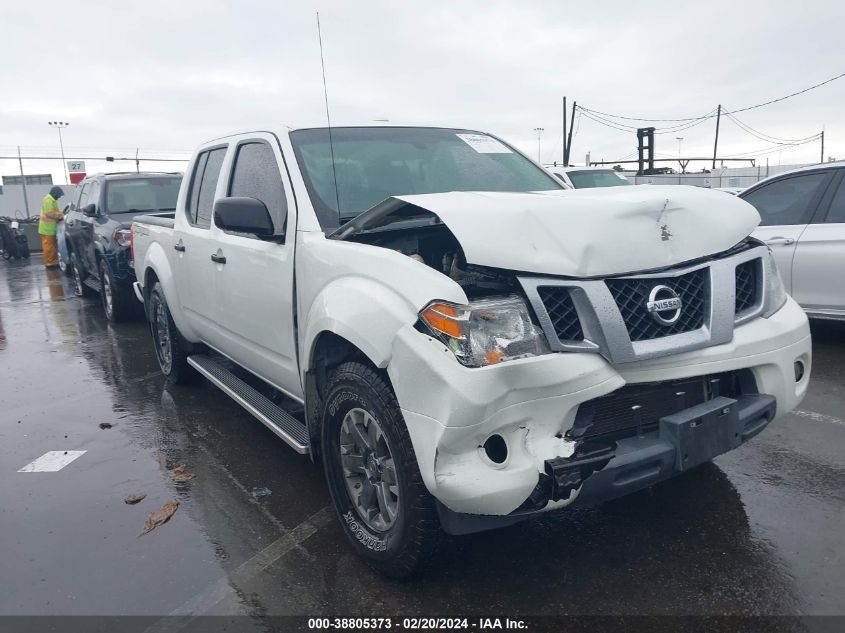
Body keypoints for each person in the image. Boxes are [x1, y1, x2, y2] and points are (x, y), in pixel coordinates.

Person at [39, 186, 65, 268]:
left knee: (51, 246)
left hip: (49, 228)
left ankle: (53, 261)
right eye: (59, 195)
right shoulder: (48, 200)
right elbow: (50, 213)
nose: (59, 197)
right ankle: (50, 263)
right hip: (47, 229)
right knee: (49, 247)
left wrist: (60, 213)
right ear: (55, 194)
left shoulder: (51, 200)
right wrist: (61, 215)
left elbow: (54, 211)